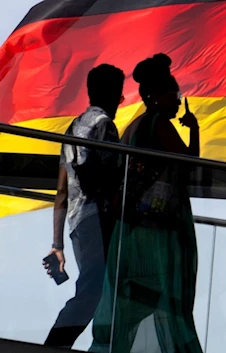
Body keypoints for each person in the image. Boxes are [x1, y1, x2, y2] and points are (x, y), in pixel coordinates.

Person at [89, 53, 202, 353]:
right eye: (173, 95)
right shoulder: (159, 124)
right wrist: (193, 129)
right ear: (155, 96)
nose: (178, 102)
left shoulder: (133, 127)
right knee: (167, 295)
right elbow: (189, 163)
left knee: (133, 300)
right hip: (156, 229)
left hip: (130, 228)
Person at [44, 64, 125, 349]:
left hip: (78, 223)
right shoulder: (104, 124)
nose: (121, 101)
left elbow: (62, 190)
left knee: (94, 288)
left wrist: (57, 244)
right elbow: (108, 178)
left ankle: (58, 343)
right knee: (95, 290)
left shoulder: (72, 127)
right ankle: (56, 345)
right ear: (113, 94)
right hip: (99, 218)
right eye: (120, 95)